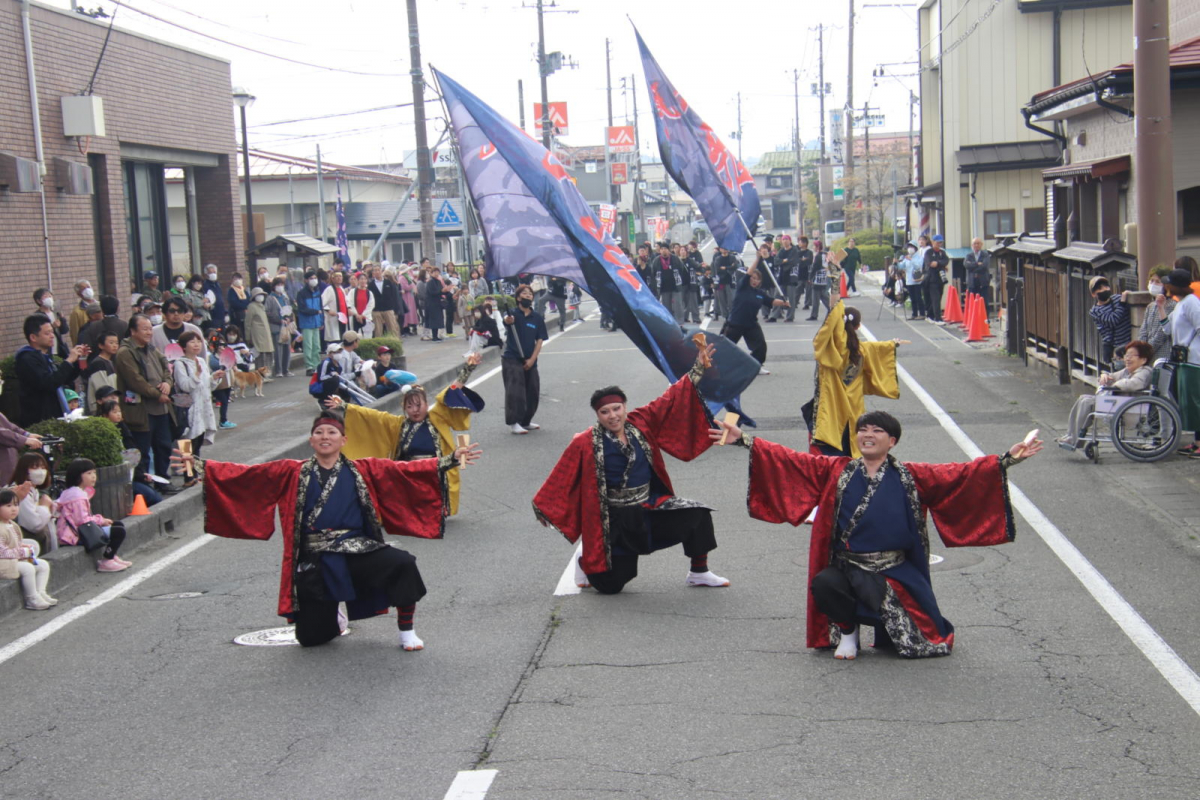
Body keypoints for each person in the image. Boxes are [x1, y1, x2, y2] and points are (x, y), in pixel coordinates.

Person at [710, 410, 1043, 660]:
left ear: (892, 440)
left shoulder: (913, 475)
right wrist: (743, 439)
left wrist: (1007, 460)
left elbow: (960, 475)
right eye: (862, 430)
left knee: (923, 646)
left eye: (877, 431)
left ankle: (886, 625)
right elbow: (788, 459)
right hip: (846, 566)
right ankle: (848, 632)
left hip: (895, 570)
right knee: (825, 583)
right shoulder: (835, 469)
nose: (867, 435)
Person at [173, 414, 479, 649]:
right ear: (311, 440)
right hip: (315, 560)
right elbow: (246, 477)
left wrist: (450, 460)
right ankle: (332, 614)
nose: (325, 436)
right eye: (319, 432)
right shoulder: (291, 471)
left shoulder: (363, 468)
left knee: (402, 563)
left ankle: (407, 631)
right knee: (312, 639)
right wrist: (200, 466)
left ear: (343, 440)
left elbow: (405, 471)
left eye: (331, 432)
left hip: (358, 548)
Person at [534, 342, 730, 594]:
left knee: (698, 514)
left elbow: (670, 398)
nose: (612, 415)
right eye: (605, 412)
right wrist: (543, 507)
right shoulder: (585, 441)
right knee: (611, 587)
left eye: (617, 408)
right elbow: (562, 475)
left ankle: (699, 572)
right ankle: (585, 561)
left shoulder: (640, 422)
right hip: (614, 519)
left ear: (625, 407)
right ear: (598, 415)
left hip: (648, 505)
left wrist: (698, 369)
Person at [329, 354, 484, 517]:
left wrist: (468, 368)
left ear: (426, 404)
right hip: (407, 472)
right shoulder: (397, 424)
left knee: (431, 510)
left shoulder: (437, 417)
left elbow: (451, 391)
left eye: (419, 405)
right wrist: (344, 406)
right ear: (404, 408)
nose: (415, 410)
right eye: (410, 406)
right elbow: (370, 416)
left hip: (434, 469)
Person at [804, 302, 905, 457]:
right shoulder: (863, 350)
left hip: (831, 409)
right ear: (858, 327)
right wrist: (893, 344)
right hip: (854, 409)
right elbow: (879, 348)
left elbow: (822, 339)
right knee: (852, 452)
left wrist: (835, 308)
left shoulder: (830, 350)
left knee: (829, 458)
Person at [1057, 340, 1154, 450]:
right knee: (1083, 397)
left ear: (1143, 359)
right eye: (1126, 355)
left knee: (1087, 402)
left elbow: (1135, 383)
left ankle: (1075, 439)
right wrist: (1104, 376)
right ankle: (1070, 434)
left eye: (1131, 356)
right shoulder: (1127, 371)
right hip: (1121, 405)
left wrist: (1116, 385)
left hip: (1130, 409)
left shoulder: (1145, 371)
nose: (1127, 358)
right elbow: (1110, 376)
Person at [114, 314, 175, 483]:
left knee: (163, 446)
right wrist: (158, 394)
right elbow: (136, 382)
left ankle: (163, 480)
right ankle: (144, 485)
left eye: (150, 329)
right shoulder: (125, 352)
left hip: (161, 408)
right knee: (142, 450)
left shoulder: (152, 348)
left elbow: (166, 368)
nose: (149, 332)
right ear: (133, 331)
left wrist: (168, 384)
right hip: (141, 410)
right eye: (145, 329)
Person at [57, 458, 131, 572]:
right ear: (77, 476)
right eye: (89, 473)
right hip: (75, 535)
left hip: (78, 531)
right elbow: (82, 520)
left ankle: (112, 554)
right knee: (119, 532)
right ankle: (107, 560)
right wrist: (101, 520)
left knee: (118, 524)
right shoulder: (77, 496)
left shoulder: (73, 492)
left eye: (94, 472)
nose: (93, 476)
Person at [15, 314, 88, 427]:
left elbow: (64, 379)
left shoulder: (45, 357)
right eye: (47, 333)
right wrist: (68, 361)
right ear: (33, 337)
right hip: (40, 419)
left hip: (54, 415)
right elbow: (49, 382)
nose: (52, 336)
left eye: (52, 332)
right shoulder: (27, 359)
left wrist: (79, 360)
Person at [95, 399, 162, 507]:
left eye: (119, 411)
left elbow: (133, 454)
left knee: (156, 497)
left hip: (133, 475)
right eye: (114, 412)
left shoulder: (123, 428)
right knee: (152, 498)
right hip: (119, 479)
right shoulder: (103, 434)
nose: (118, 414)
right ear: (105, 415)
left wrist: (142, 474)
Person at [1162, 268, 1200, 458]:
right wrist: (1161, 306)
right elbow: (1167, 328)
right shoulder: (1180, 304)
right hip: (1183, 358)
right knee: (1186, 401)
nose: (1165, 286)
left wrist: (1191, 345)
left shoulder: (1191, 303)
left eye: (1168, 283)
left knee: (1195, 401)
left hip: (1193, 358)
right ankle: (1196, 441)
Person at [722, 265, 787, 376]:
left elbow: (770, 301)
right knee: (724, 347)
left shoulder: (759, 293)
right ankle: (718, 367)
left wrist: (783, 302)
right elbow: (748, 273)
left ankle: (756, 367)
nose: (755, 281)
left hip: (751, 324)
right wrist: (757, 259)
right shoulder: (742, 287)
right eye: (753, 278)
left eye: (757, 279)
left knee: (761, 347)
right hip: (735, 323)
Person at [172, 331, 223, 469]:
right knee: (187, 443)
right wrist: (196, 375)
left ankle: (196, 472)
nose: (196, 345)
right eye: (192, 342)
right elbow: (185, 386)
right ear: (183, 346)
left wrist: (214, 378)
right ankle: (188, 476)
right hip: (188, 410)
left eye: (198, 341)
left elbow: (207, 386)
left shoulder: (200, 361)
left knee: (198, 442)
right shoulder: (180, 364)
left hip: (203, 408)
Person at [502, 284, 548, 434]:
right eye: (524, 293)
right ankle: (514, 422)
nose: (528, 296)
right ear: (518, 298)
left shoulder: (537, 318)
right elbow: (506, 320)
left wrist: (532, 360)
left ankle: (525, 421)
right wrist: (508, 320)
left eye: (530, 294)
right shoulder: (513, 315)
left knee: (533, 391)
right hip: (512, 359)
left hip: (530, 359)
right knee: (515, 392)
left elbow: (540, 340)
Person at [0, 489, 54, 610]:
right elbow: (2, 552)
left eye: (16, 505)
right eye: (8, 506)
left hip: (13, 560)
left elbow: (15, 544)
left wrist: (24, 548)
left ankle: (40, 592)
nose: (13, 509)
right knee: (28, 568)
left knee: (42, 565)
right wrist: (22, 552)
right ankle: (31, 598)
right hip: (4, 563)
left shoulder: (12, 525)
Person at [9, 453, 57, 552]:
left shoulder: (33, 491)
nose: (40, 471)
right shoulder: (22, 492)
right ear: (24, 470)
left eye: (43, 467)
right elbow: (34, 525)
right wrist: (44, 507)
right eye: (34, 467)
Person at [1088, 275, 1132, 368]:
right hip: (1116, 348)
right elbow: (1113, 320)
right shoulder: (1095, 311)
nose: (1104, 289)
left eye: (1106, 286)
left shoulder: (1117, 298)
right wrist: (1123, 303)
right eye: (1100, 288)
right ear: (1093, 294)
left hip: (1131, 342)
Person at [1136, 265, 1177, 363]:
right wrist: (1141, 346)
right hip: (1147, 355)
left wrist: (1147, 350)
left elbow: (1162, 334)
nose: (1153, 284)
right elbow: (1143, 330)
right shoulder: (1150, 306)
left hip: (1162, 355)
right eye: (1151, 281)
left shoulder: (1172, 305)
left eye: (1157, 282)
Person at [265, 277, 296, 378]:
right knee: (278, 350)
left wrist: (289, 319)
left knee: (287, 348)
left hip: (286, 326)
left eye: (281, 285)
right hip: (276, 327)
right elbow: (268, 313)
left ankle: (285, 369)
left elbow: (290, 310)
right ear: (274, 287)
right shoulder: (270, 298)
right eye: (278, 285)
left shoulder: (285, 297)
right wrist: (279, 320)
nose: (280, 287)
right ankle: (278, 370)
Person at [296, 270, 325, 376]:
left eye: (315, 278)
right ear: (306, 280)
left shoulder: (317, 291)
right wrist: (315, 312)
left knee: (317, 345)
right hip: (306, 322)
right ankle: (309, 366)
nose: (314, 280)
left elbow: (321, 307)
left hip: (316, 322)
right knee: (308, 345)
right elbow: (302, 308)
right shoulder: (302, 293)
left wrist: (321, 321)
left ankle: (316, 365)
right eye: (311, 278)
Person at [653, 240, 687, 323]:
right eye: (662, 249)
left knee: (678, 305)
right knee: (666, 306)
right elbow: (653, 273)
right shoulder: (656, 260)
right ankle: (669, 322)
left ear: (669, 250)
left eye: (665, 248)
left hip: (675, 286)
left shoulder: (675, 259)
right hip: (663, 286)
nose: (664, 250)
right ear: (660, 250)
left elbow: (682, 270)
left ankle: (680, 322)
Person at [31, 288, 69, 358]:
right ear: (38, 301)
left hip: (58, 349)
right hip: (47, 350)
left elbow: (65, 330)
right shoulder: (37, 316)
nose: (49, 298)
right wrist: (52, 327)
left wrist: (62, 319)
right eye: (45, 297)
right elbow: (39, 332)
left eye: (50, 296)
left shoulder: (55, 313)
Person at [923, 234, 950, 324]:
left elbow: (946, 261)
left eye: (941, 242)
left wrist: (938, 263)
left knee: (938, 297)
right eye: (938, 242)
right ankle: (937, 318)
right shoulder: (928, 252)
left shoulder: (942, 252)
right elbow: (930, 263)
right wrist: (941, 265)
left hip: (941, 279)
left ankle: (930, 315)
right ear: (933, 242)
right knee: (935, 298)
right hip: (931, 279)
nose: (939, 244)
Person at [369, 264, 402, 338]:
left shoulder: (388, 283)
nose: (377, 272)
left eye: (378, 270)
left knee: (392, 328)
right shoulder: (370, 285)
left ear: (381, 271)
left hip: (388, 308)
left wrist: (396, 311)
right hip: (376, 309)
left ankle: (395, 343)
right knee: (378, 330)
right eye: (375, 270)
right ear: (373, 273)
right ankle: (379, 346)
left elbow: (394, 297)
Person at [807, 241, 833, 321]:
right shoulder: (825, 255)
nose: (813, 248)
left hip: (817, 279)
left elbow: (814, 268)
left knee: (816, 298)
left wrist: (810, 277)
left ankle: (814, 315)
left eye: (814, 246)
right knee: (823, 296)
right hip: (824, 278)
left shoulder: (818, 256)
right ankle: (832, 309)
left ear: (818, 247)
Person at [322, 269, 349, 344]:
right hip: (333, 317)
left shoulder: (342, 289)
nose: (339, 278)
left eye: (340, 276)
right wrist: (328, 310)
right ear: (332, 278)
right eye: (336, 276)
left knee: (342, 337)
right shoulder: (329, 290)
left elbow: (346, 301)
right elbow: (322, 302)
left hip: (343, 317)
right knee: (335, 338)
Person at [67, 279, 96, 347]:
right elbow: (75, 333)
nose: (87, 290)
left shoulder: (101, 305)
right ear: (79, 293)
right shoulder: (77, 312)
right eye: (83, 289)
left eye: (88, 287)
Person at [346, 271, 375, 338]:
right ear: (358, 280)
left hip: (366, 318)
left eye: (364, 279)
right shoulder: (352, 292)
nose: (363, 281)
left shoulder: (369, 293)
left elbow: (370, 306)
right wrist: (357, 315)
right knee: (356, 337)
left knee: (367, 337)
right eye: (361, 279)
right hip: (355, 317)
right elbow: (350, 303)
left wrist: (362, 315)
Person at [902, 242, 927, 320]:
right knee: (912, 298)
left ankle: (922, 313)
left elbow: (918, 266)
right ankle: (914, 314)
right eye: (909, 247)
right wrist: (897, 263)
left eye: (911, 247)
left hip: (917, 280)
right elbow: (902, 266)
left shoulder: (919, 257)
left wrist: (911, 260)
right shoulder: (907, 258)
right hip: (909, 280)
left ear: (915, 248)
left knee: (918, 297)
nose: (910, 249)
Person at [964, 237, 991, 308]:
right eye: (974, 243)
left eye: (978, 243)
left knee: (984, 303)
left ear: (981, 244)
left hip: (983, 282)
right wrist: (976, 264)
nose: (976, 245)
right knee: (972, 304)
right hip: (972, 283)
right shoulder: (969, 255)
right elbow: (966, 265)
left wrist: (972, 268)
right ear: (972, 245)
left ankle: (985, 318)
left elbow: (984, 266)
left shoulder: (985, 255)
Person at [423, 265, 448, 342]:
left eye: (438, 272)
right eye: (435, 272)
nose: (437, 274)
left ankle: (436, 336)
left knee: (438, 320)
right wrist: (441, 291)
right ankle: (434, 336)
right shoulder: (430, 282)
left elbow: (440, 291)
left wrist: (445, 291)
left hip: (438, 303)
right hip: (431, 303)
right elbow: (432, 292)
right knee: (434, 320)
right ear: (431, 273)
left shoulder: (438, 281)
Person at [201, 264, 228, 330]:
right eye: (210, 272)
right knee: (215, 336)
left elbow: (220, 299)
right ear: (206, 274)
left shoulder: (217, 284)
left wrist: (225, 312)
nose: (213, 274)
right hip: (213, 317)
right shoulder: (205, 286)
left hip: (221, 316)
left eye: (214, 272)